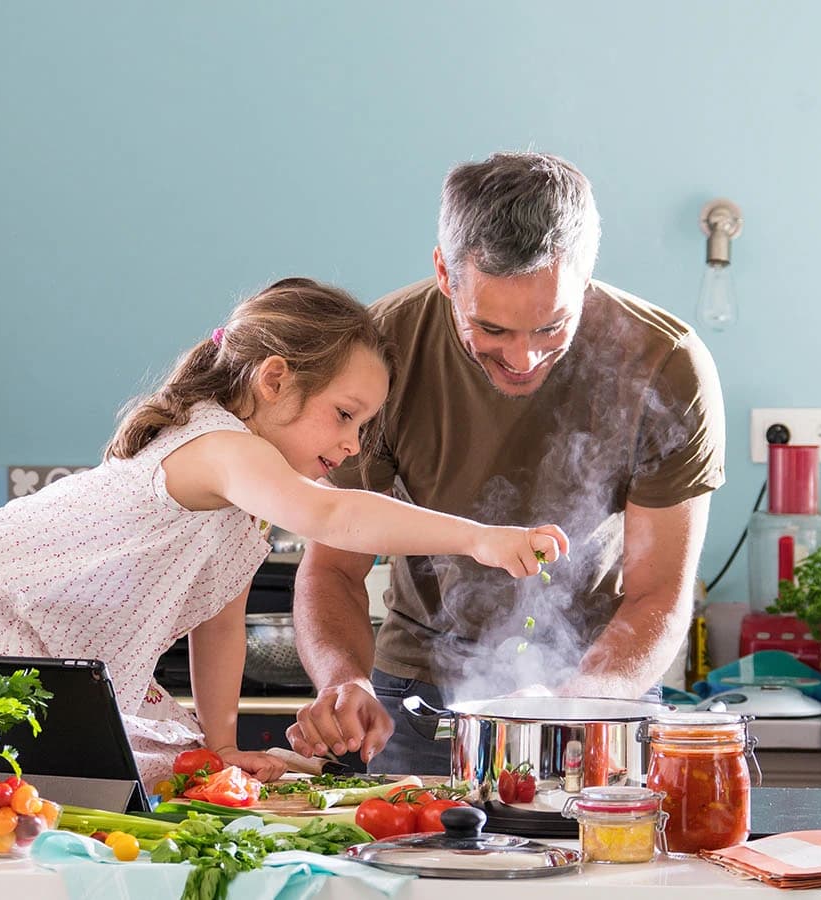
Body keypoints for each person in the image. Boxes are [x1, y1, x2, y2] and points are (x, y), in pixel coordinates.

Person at [0, 277, 568, 790]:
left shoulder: (242, 502)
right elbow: (333, 516)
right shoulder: (222, 448)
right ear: (275, 379)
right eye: (345, 415)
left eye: (365, 426)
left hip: (32, 648)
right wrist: (481, 539)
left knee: (148, 773)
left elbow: (218, 627)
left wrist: (222, 744)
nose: (353, 445)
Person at [288, 152, 727, 775]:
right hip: (418, 696)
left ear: (586, 275)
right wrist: (342, 680)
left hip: (599, 689)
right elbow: (332, 565)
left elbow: (658, 595)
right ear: (445, 272)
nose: (523, 358)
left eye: (553, 327)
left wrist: (576, 706)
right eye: (490, 328)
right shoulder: (379, 352)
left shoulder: (666, 364)